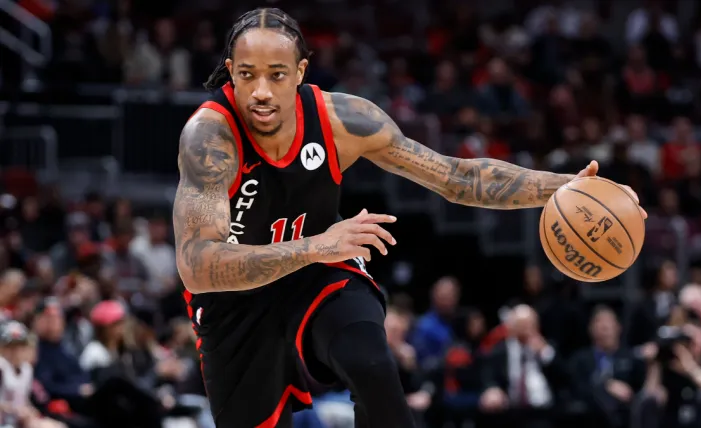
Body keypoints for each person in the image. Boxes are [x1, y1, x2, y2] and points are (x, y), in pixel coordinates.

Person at [173, 7, 646, 428]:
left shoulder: (344, 120)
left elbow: (456, 178)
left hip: (319, 274)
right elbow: (197, 264)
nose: (261, 91)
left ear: (300, 72)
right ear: (230, 72)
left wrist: (566, 187)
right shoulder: (209, 138)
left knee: (372, 363)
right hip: (234, 301)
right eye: (248, 75)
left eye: (276, 75)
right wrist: (318, 245)